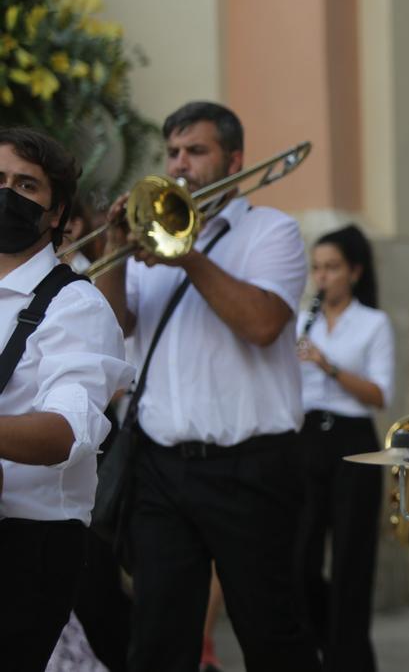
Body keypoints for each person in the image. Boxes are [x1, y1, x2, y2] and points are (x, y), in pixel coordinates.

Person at [93, 101, 320, 672]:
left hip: (250, 468)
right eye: (172, 152)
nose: (180, 164)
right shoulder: (150, 236)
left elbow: (263, 324)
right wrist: (114, 252)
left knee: (271, 633)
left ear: (234, 159)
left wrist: (186, 256)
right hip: (160, 467)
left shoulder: (271, 231)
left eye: (196, 151)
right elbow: (115, 325)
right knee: (157, 637)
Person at [0, 127, 133, 671]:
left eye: (25, 185)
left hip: (26, 547)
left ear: (56, 214)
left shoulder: (77, 306)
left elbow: (64, 433)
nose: (7, 192)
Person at [294, 224, 394, 671]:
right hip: (306, 437)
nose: (323, 277)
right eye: (317, 268)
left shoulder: (374, 323)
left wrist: (328, 366)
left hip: (354, 442)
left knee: (352, 561)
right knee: (300, 560)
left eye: (332, 268)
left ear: (353, 271)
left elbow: (379, 394)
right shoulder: (302, 321)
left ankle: (348, 658)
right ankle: (332, 650)